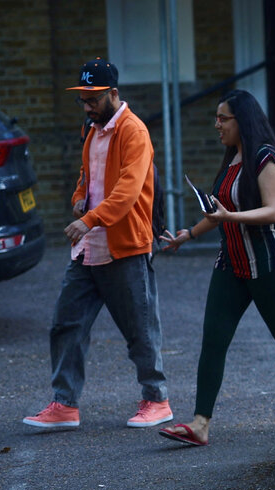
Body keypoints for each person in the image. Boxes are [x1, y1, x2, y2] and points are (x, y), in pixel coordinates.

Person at [157, 90, 275, 446]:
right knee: (213, 339)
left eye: (223, 118)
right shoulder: (232, 158)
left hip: (270, 262)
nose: (217, 125)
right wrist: (188, 234)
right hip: (232, 262)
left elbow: (273, 211)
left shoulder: (265, 158)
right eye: (216, 118)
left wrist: (229, 216)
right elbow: (218, 211)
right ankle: (200, 424)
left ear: (241, 120)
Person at [23, 57, 172, 429]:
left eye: (93, 99)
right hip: (89, 248)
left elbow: (127, 192)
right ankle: (64, 405)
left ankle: (157, 400)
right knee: (66, 324)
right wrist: (79, 197)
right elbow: (86, 175)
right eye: (83, 99)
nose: (87, 106)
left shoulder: (134, 131)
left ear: (114, 93)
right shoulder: (92, 130)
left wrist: (86, 219)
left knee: (140, 331)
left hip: (126, 247)